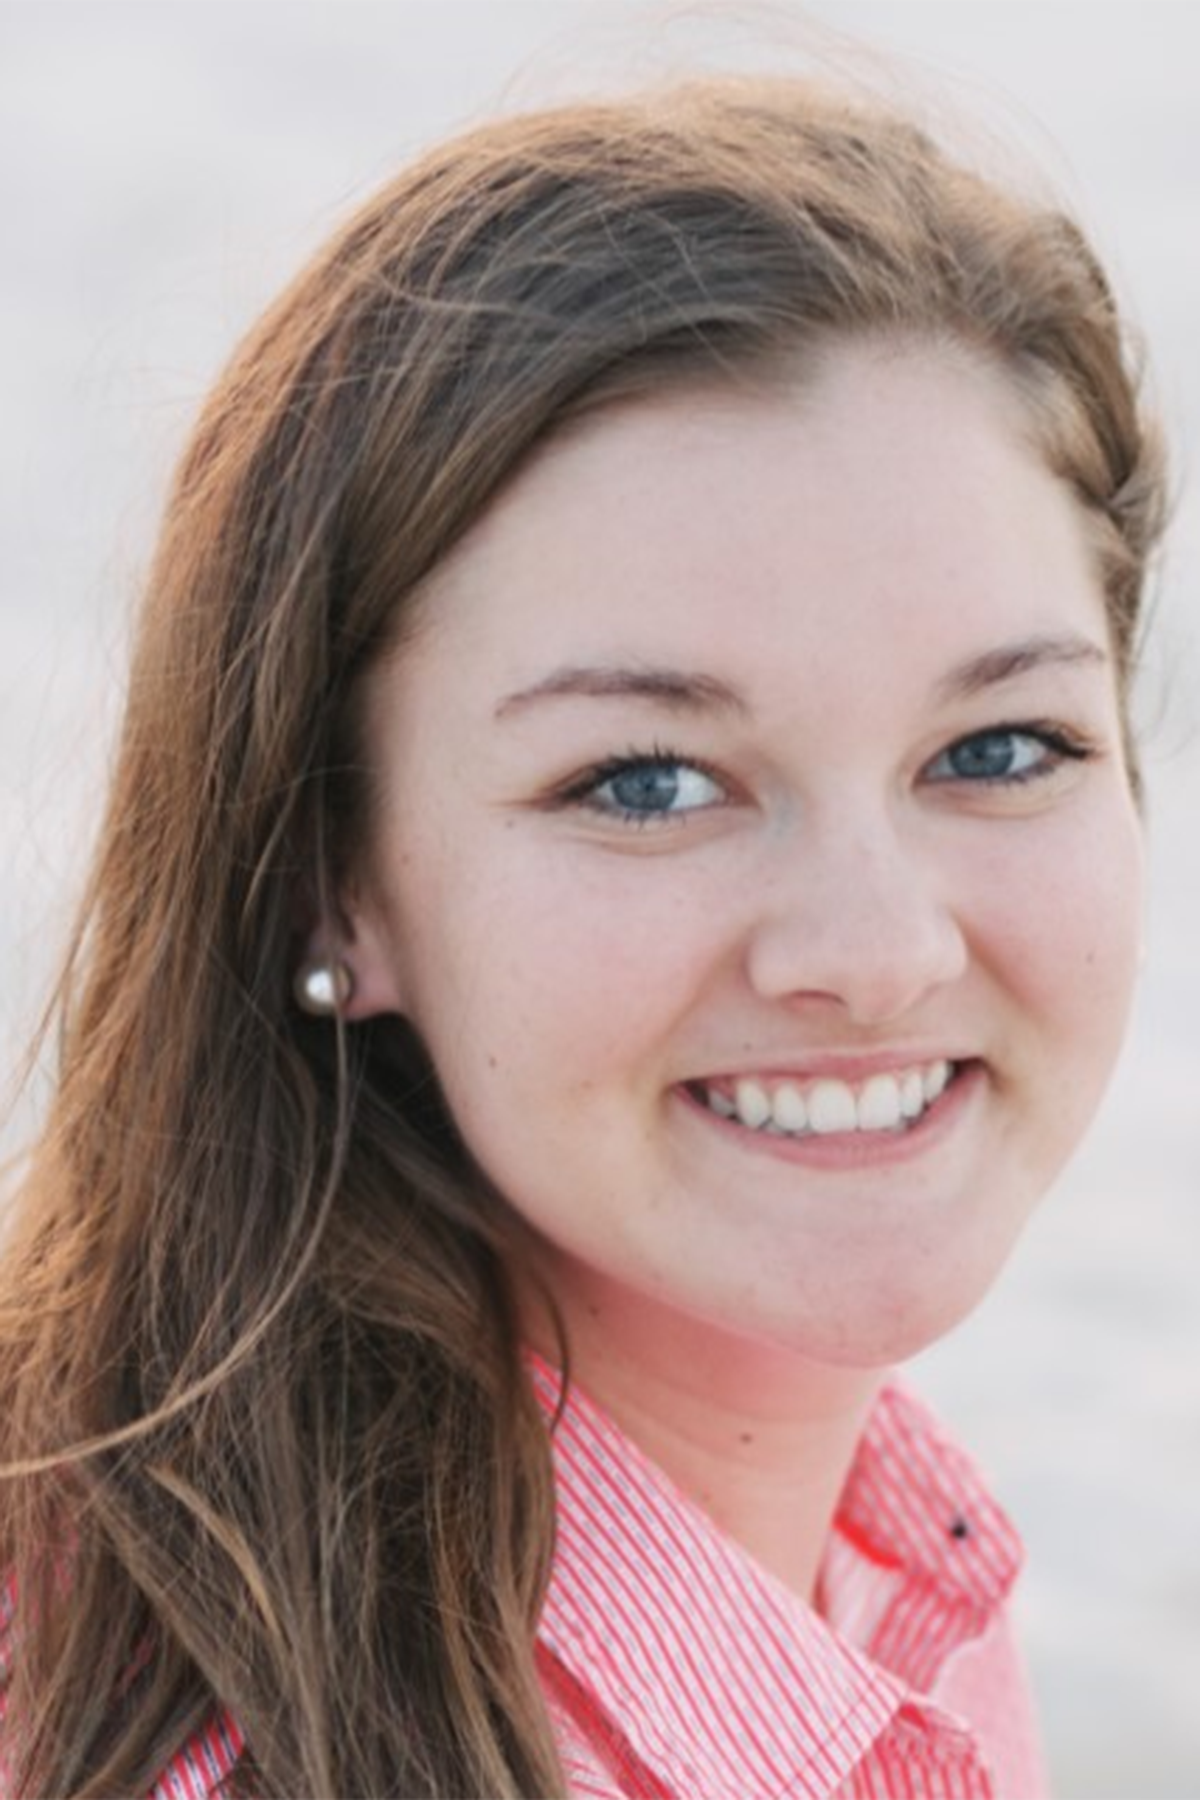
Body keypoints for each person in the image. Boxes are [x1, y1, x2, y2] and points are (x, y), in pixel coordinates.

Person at [0, 66, 1166, 1800]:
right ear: (330, 877)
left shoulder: (888, 1581)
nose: (878, 952)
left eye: (999, 749)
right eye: (647, 782)